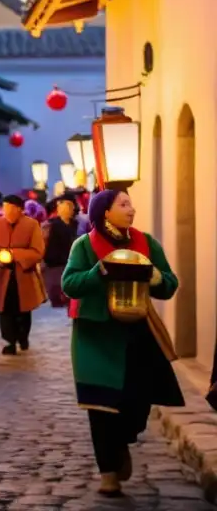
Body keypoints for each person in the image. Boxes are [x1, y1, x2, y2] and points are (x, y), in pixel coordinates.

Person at [62, 189, 183, 497]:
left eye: (131, 203)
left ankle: (122, 442)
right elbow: (69, 284)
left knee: (136, 404)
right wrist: (97, 272)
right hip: (95, 336)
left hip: (138, 333)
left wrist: (154, 276)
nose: (132, 209)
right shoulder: (84, 245)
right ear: (105, 212)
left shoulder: (146, 243)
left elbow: (169, 285)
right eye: (124, 204)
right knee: (100, 406)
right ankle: (108, 475)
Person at [0, 194, 46, 355]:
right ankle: (9, 341)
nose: (7, 211)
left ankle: (23, 337)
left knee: (23, 309)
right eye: (5, 207)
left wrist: (14, 254)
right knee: (4, 309)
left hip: (23, 274)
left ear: (19, 209)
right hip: (0, 274)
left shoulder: (31, 225)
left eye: (11, 208)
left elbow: (38, 252)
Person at [42, 192, 79, 308]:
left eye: (70, 207)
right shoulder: (51, 225)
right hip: (54, 264)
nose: (68, 210)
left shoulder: (76, 224)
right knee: (56, 294)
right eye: (64, 207)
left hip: (71, 262)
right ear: (58, 209)